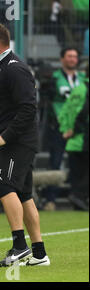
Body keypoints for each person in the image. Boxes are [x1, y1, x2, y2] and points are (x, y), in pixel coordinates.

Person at [0, 22, 50, 267]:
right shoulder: (1, 68)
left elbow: (28, 109)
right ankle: (39, 254)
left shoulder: (14, 69)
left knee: (4, 185)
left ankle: (19, 246)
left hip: (19, 142)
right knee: (24, 194)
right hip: (15, 141)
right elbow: (9, 112)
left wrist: (6, 136)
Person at [42, 47, 86, 211]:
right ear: (62, 59)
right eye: (69, 56)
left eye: (75, 56)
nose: (72, 59)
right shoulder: (54, 78)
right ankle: (50, 199)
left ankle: (79, 197)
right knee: (56, 161)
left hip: (79, 128)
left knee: (79, 164)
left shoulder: (83, 78)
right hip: (59, 126)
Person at [59, 71, 89, 211]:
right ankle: (78, 197)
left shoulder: (78, 88)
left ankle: (78, 201)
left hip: (73, 142)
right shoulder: (86, 89)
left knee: (77, 175)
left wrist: (66, 130)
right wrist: (75, 130)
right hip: (83, 139)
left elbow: (65, 111)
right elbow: (83, 113)